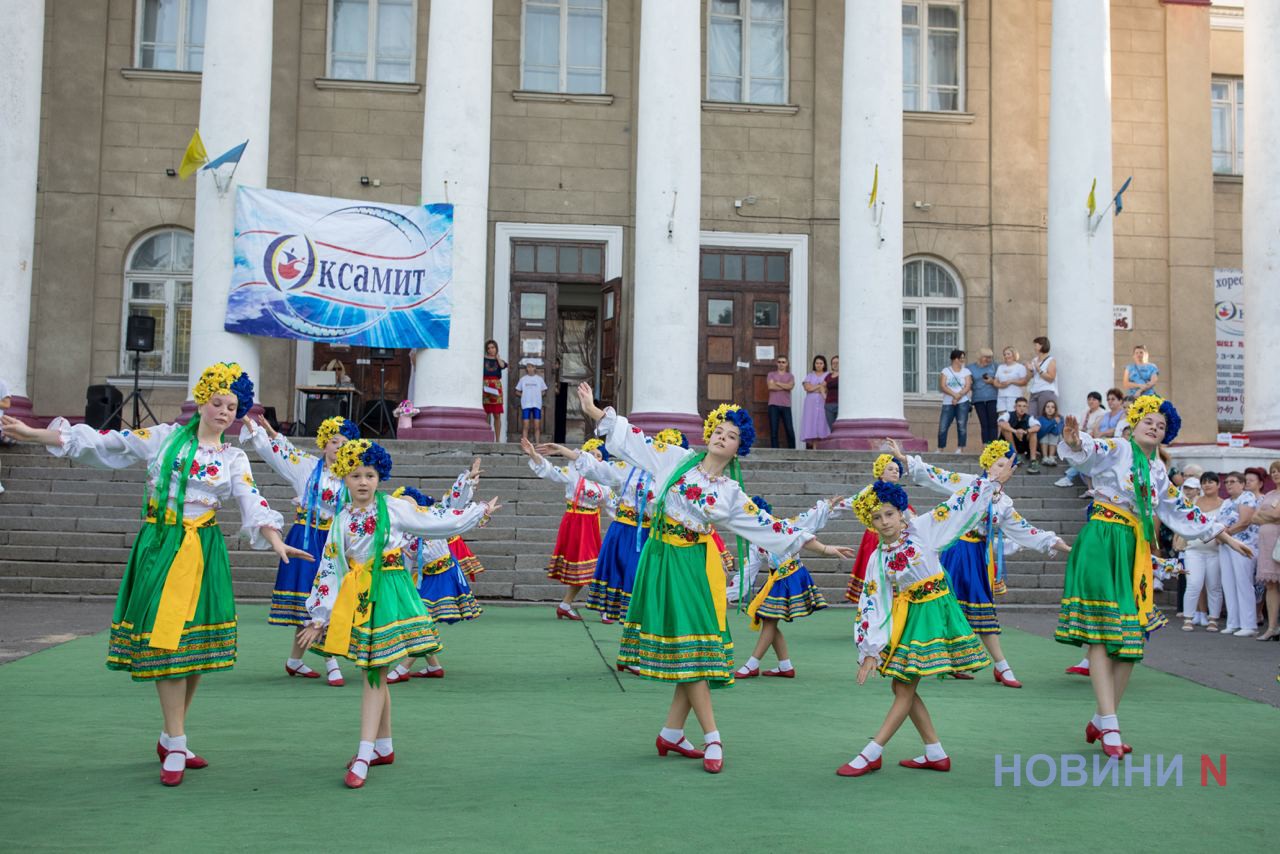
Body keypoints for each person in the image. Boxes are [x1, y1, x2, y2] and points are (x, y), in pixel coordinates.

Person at [0, 362, 308, 786]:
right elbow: (108, 442)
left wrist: (274, 538)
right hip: (161, 546)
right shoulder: (164, 440)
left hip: (203, 551)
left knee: (195, 652)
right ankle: (177, 742)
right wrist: (34, 434)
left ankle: (171, 737)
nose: (223, 411)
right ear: (202, 402)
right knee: (168, 644)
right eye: (216, 402)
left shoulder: (234, 456)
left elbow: (249, 498)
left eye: (231, 406)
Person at [576, 382, 854, 775]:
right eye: (719, 431)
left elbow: (767, 526)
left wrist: (820, 548)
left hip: (694, 563)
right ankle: (711, 737)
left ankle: (673, 733)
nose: (722, 437)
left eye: (732, 435)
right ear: (709, 434)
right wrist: (594, 410)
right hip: (661, 558)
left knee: (696, 652)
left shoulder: (730, 493)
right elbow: (634, 442)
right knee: (693, 652)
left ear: (739, 448)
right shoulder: (676, 458)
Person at [1055, 395, 1251, 756]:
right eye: (1149, 421)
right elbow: (1088, 448)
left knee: (1132, 640)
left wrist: (1224, 537)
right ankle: (1110, 726)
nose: (1155, 428)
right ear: (1135, 422)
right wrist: (1073, 440)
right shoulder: (1118, 448)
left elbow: (1180, 509)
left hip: (1134, 547)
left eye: (1161, 426)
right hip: (1102, 538)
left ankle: (1101, 719)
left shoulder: (1158, 471)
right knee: (1101, 632)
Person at [297, 439, 499, 789]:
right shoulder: (342, 519)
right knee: (373, 671)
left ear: (380, 477)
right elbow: (331, 564)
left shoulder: (393, 508)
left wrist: (476, 512)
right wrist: (320, 616)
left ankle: (364, 752)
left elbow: (436, 521)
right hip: (360, 596)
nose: (363, 481)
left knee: (374, 671)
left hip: (390, 592)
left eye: (370, 475)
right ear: (344, 478)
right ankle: (383, 746)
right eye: (356, 475)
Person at [838, 475, 1005, 778]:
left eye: (889, 513)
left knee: (903, 686)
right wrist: (870, 649)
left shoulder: (922, 531)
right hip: (909, 615)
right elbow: (874, 601)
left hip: (934, 612)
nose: (885, 521)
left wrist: (988, 484)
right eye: (877, 517)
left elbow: (954, 507)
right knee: (900, 684)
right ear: (870, 523)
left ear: (901, 512)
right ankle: (935, 752)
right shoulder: (878, 557)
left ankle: (872, 752)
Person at [891, 437, 1070, 689]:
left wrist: (1054, 543)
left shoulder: (1004, 503)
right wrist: (906, 459)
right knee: (952, 606)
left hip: (978, 556)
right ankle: (1001, 666)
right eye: (997, 465)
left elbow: (1023, 528)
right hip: (957, 551)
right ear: (987, 465)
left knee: (974, 608)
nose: (1000, 470)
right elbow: (939, 476)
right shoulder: (972, 484)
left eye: (1006, 466)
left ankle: (963, 664)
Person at [240, 413, 361, 687]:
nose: (337, 447)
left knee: (329, 598)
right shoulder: (306, 467)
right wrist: (262, 432)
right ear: (323, 443)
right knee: (310, 599)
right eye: (333, 441)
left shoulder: (353, 475)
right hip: (305, 538)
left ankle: (295, 660)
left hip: (334, 542)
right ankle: (331, 660)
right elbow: (281, 454)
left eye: (344, 443)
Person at [555, 429, 686, 626]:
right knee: (619, 573)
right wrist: (567, 452)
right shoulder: (628, 468)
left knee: (637, 578)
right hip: (622, 530)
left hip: (648, 535)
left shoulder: (673, 479)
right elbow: (599, 469)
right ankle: (614, 614)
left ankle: (640, 624)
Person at [385, 475, 486, 683]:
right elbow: (406, 564)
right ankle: (434, 666)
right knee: (420, 617)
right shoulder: (404, 533)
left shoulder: (433, 515)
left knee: (424, 620)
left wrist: (467, 480)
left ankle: (403, 668)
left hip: (444, 574)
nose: (405, 505)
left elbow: (454, 502)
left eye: (408, 500)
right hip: (425, 578)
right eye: (400, 504)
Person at [734, 495, 838, 679]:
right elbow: (749, 568)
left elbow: (804, 521)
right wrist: (732, 592)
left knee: (769, 619)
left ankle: (752, 664)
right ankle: (785, 665)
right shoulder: (755, 543)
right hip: (776, 579)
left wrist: (826, 506)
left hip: (791, 576)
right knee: (769, 620)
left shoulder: (780, 527)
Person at [523, 436, 609, 620]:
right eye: (591, 454)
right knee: (591, 567)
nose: (594, 457)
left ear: (603, 460)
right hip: (576, 523)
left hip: (592, 525)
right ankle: (603, 608)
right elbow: (551, 471)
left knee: (592, 567)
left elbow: (613, 505)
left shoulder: (605, 482)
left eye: (599, 455)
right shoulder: (574, 473)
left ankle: (565, 605)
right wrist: (534, 454)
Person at [844, 453, 914, 606]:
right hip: (875, 537)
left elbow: (909, 516)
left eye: (897, 469)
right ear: (881, 472)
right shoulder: (871, 491)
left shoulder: (899, 493)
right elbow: (853, 502)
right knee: (874, 571)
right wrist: (830, 506)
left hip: (896, 537)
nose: (895, 472)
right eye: (890, 469)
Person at [1218, 471, 1261, 637]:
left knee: (1243, 584)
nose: (1229, 484)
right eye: (1227, 482)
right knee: (1228, 583)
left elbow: (1244, 522)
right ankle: (1233, 622)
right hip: (1225, 545)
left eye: (1233, 481)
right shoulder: (1226, 502)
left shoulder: (1247, 497)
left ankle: (1249, 624)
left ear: (1242, 484)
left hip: (1244, 545)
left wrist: (1225, 534)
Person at [1181, 474, 1224, 632]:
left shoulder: (1224, 504)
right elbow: (1183, 521)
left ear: (1219, 485)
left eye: (1210, 482)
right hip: (1193, 549)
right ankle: (1188, 618)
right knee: (1193, 584)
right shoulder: (1193, 502)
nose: (1207, 485)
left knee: (1214, 586)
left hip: (1215, 551)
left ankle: (1213, 619)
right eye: (1204, 482)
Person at [1252, 461, 1280, 641]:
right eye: (1273, 471)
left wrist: (1266, 516)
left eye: (1279, 471)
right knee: (1270, 585)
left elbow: (1278, 516)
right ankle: (1272, 627)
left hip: (1278, 542)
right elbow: (1254, 517)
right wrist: (1271, 518)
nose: (1276, 474)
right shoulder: (1270, 494)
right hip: (1266, 544)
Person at [936, 349, 972, 454]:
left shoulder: (966, 371)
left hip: (963, 401)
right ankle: (940, 448)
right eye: (960, 358)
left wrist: (958, 397)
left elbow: (968, 385)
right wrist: (954, 395)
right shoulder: (946, 371)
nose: (962, 360)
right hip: (948, 402)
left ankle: (960, 448)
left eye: (963, 358)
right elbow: (943, 386)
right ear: (954, 359)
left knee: (961, 425)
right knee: (943, 425)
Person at [997, 398, 1041, 473]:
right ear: (1015, 407)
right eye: (1019, 406)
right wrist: (1015, 431)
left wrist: (1025, 432)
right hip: (1009, 445)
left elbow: (1037, 426)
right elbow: (1000, 422)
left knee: (1033, 432)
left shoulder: (1029, 418)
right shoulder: (1008, 414)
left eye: (1024, 406)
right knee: (1006, 428)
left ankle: (1033, 461)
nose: (1022, 408)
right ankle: (1015, 455)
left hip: (1022, 443)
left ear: (1027, 408)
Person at [968, 348, 999, 445]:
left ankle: (994, 447)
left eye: (990, 357)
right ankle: (986, 445)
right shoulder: (970, 368)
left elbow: (1001, 381)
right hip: (978, 399)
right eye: (986, 357)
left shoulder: (995, 366)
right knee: (984, 423)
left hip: (993, 398)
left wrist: (992, 381)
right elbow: (967, 383)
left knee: (993, 423)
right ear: (980, 357)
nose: (989, 360)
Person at [800, 356, 831, 448]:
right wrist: (819, 386)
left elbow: (826, 389)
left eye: (821, 363)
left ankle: (822, 447)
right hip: (811, 404)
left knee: (823, 422)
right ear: (814, 364)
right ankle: (814, 447)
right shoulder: (810, 375)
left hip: (823, 401)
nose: (818, 365)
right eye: (817, 363)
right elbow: (807, 388)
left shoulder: (828, 375)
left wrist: (815, 387)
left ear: (824, 364)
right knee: (811, 422)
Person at [766, 356, 796, 449]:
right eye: (779, 362)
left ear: (787, 364)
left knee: (789, 430)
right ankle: (775, 451)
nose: (781, 364)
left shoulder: (790, 376)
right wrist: (785, 386)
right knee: (774, 431)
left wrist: (777, 383)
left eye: (783, 362)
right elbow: (770, 387)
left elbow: (790, 387)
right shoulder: (771, 374)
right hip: (773, 405)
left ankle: (792, 452)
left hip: (786, 405)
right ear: (776, 363)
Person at [515, 361, 548, 443]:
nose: (530, 368)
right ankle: (525, 444)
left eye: (532, 366)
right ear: (526, 368)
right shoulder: (523, 379)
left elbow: (544, 391)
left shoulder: (539, 379)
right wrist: (524, 395)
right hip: (526, 405)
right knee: (525, 426)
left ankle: (537, 444)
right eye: (528, 367)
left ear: (535, 368)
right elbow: (517, 391)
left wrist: (537, 395)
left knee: (537, 426)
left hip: (536, 405)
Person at [993, 346, 1029, 418]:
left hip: (1014, 396)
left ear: (1014, 354)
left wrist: (1011, 381)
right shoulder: (1001, 367)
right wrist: (1001, 385)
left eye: (1008, 354)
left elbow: (1024, 382)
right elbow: (995, 381)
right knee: (1002, 419)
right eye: (1004, 354)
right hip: (1002, 396)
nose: (1006, 356)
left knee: (1012, 418)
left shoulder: (1020, 367)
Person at [1027, 336, 1058, 418]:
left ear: (1041, 346)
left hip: (1046, 391)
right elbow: (1030, 377)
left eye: (1035, 345)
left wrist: (1038, 369)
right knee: (1031, 417)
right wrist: (1030, 370)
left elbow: (1051, 378)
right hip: (1034, 391)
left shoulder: (1051, 360)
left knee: (1044, 417)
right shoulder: (1034, 360)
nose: (1034, 347)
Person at [482, 339, 508, 441]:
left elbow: (502, 366)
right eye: (488, 348)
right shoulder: (482, 359)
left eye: (493, 347)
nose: (490, 350)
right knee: (486, 413)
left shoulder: (499, 360)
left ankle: (497, 440)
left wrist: (497, 358)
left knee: (497, 414)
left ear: (496, 348)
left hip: (496, 386)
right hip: (485, 386)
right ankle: (486, 438)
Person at [1037, 399, 1064, 467]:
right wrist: (1053, 423)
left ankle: (1051, 457)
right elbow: (1041, 432)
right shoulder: (1041, 419)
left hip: (1057, 442)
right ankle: (1045, 457)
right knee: (1045, 434)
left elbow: (1057, 431)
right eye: (1048, 407)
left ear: (1055, 409)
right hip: (1043, 442)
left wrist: (1048, 427)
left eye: (1052, 407)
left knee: (1053, 434)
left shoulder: (1060, 418)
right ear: (1044, 409)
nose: (1050, 409)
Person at [824, 356, 840, 430]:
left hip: (840, 405)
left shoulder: (844, 375)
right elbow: (822, 386)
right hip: (829, 405)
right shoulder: (828, 376)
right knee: (832, 428)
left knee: (839, 428)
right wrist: (824, 396)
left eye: (837, 363)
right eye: (833, 363)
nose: (835, 364)